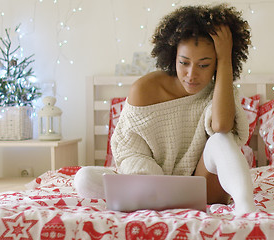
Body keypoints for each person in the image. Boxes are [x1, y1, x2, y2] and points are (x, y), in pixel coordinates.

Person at [74, 4, 255, 214]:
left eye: (204, 65)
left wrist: (225, 60)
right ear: (172, 56)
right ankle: (146, 193)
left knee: (221, 139)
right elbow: (130, 150)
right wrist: (153, 180)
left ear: (216, 64)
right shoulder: (145, 89)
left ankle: (246, 208)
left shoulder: (220, 90)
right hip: (152, 185)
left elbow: (222, 126)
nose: (191, 74)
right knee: (83, 179)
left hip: (205, 190)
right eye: (184, 63)